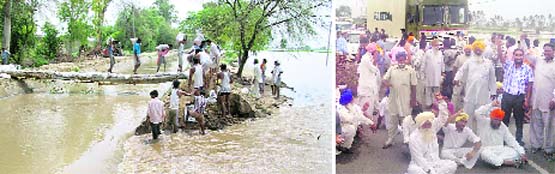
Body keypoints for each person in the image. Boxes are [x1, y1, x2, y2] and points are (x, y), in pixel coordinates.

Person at [453, 40, 497, 131]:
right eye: (476, 49)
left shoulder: (488, 63)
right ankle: (467, 134)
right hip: (470, 93)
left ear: (483, 50)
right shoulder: (469, 62)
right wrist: (456, 79)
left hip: (483, 94)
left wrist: (493, 92)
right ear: (473, 50)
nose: (478, 51)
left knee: (481, 115)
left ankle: (482, 134)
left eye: (480, 49)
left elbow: (492, 79)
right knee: (467, 115)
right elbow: (461, 71)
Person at [497, 46, 534, 146]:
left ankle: (518, 139)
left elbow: (530, 85)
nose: (518, 57)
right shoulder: (508, 65)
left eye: (520, 55)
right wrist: (498, 45)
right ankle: (503, 139)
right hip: (507, 96)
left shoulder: (527, 69)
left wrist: (527, 99)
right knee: (504, 119)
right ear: (513, 56)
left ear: (523, 56)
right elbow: (501, 58)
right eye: (516, 55)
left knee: (519, 119)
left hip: (519, 98)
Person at [474, 101, 528, 168]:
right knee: (484, 154)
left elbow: (511, 140)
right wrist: (491, 104)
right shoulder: (483, 122)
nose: (497, 122)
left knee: (515, 153)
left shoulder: (502, 126)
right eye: (495, 120)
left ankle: (498, 162)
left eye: (499, 120)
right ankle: (509, 162)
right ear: (491, 117)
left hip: (500, 149)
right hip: (486, 149)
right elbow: (477, 112)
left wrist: (522, 153)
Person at [382, 51, 417, 149]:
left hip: (406, 100)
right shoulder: (392, 69)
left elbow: (414, 86)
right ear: (397, 60)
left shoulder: (410, 70)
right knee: (393, 121)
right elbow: (384, 79)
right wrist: (387, 83)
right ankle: (390, 139)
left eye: (403, 60)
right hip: (393, 100)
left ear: (405, 59)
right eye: (399, 60)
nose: (401, 62)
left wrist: (413, 100)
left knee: (406, 122)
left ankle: (407, 141)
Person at [406, 107, 457, 174]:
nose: (428, 126)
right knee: (414, 170)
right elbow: (418, 158)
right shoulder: (413, 137)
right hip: (419, 165)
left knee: (452, 165)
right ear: (420, 124)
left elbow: (443, 118)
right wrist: (429, 170)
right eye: (425, 124)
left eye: (429, 124)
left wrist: (441, 102)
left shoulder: (432, 132)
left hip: (435, 163)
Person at [529, 43, 555, 156]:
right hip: (536, 99)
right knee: (536, 123)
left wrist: (554, 98)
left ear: (554, 51)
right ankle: (536, 145)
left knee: (550, 125)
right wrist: (523, 40)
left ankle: (549, 148)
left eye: (549, 50)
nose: (546, 52)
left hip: (549, 100)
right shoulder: (539, 61)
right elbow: (527, 55)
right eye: (545, 50)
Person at [357, 43, 381, 117]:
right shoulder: (366, 59)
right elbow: (375, 70)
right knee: (367, 112)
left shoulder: (368, 58)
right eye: (376, 52)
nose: (377, 54)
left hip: (369, 89)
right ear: (373, 51)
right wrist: (375, 60)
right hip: (367, 89)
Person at [422, 40, 444, 108]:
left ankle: (436, 104)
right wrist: (422, 72)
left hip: (437, 75)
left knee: (437, 91)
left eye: (438, 45)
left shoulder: (440, 53)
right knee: (428, 90)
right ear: (432, 45)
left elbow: (442, 64)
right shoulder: (428, 53)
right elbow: (424, 63)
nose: (437, 47)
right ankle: (429, 104)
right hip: (429, 75)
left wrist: (443, 72)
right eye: (436, 45)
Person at [452, 45, 472, 111]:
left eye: (469, 50)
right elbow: (455, 68)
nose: (468, 51)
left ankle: (465, 110)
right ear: (464, 50)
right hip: (459, 79)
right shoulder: (459, 57)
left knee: (468, 96)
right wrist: (454, 78)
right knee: (455, 95)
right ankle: (453, 109)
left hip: (469, 80)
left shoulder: (473, 58)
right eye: (467, 50)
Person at [412, 40, 426, 106]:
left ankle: (418, 103)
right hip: (419, 75)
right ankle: (418, 105)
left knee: (420, 91)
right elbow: (417, 63)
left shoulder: (418, 52)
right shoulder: (421, 53)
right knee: (419, 91)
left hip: (419, 74)